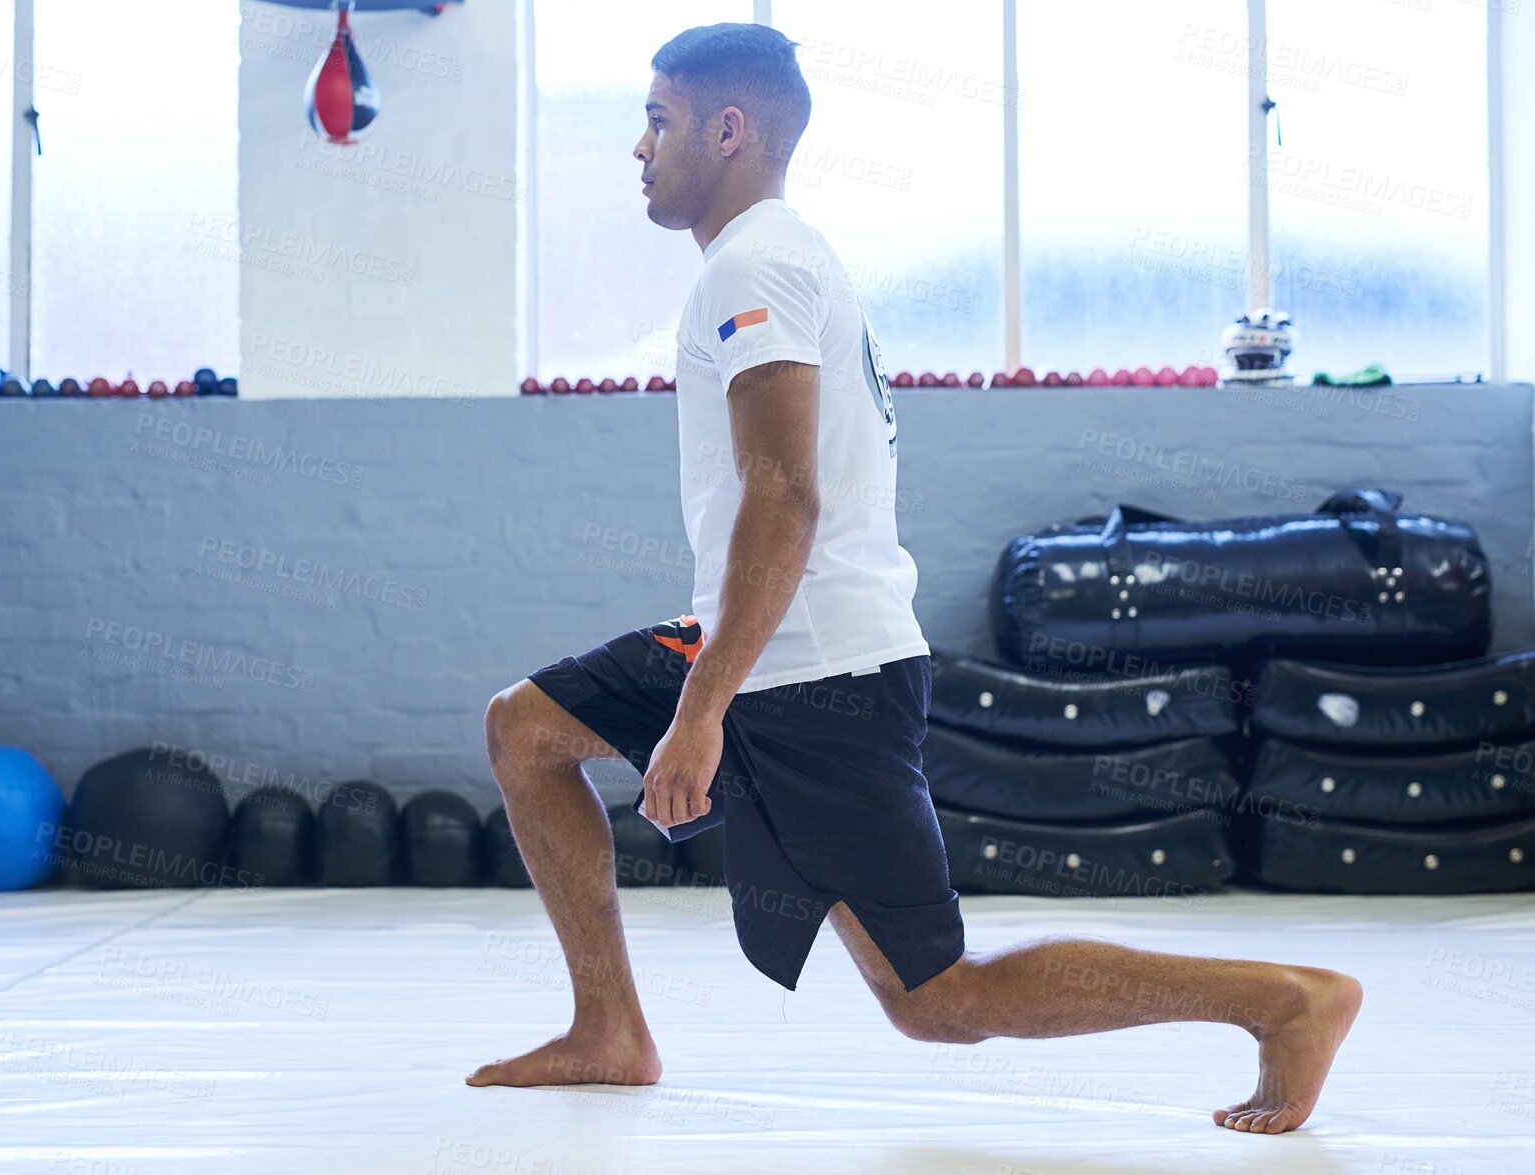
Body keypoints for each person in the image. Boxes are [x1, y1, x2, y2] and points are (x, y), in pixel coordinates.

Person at [471, 23, 1360, 1135]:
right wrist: (704, 682)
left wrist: (699, 711)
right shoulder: (763, 262)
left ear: (728, 129)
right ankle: (607, 1027)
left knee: (939, 999)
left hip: (815, 676)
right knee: (528, 727)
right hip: (756, 645)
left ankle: (1283, 1001)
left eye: (657, 119)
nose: (638, 147)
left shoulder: (757, 266)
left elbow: (786, 496)